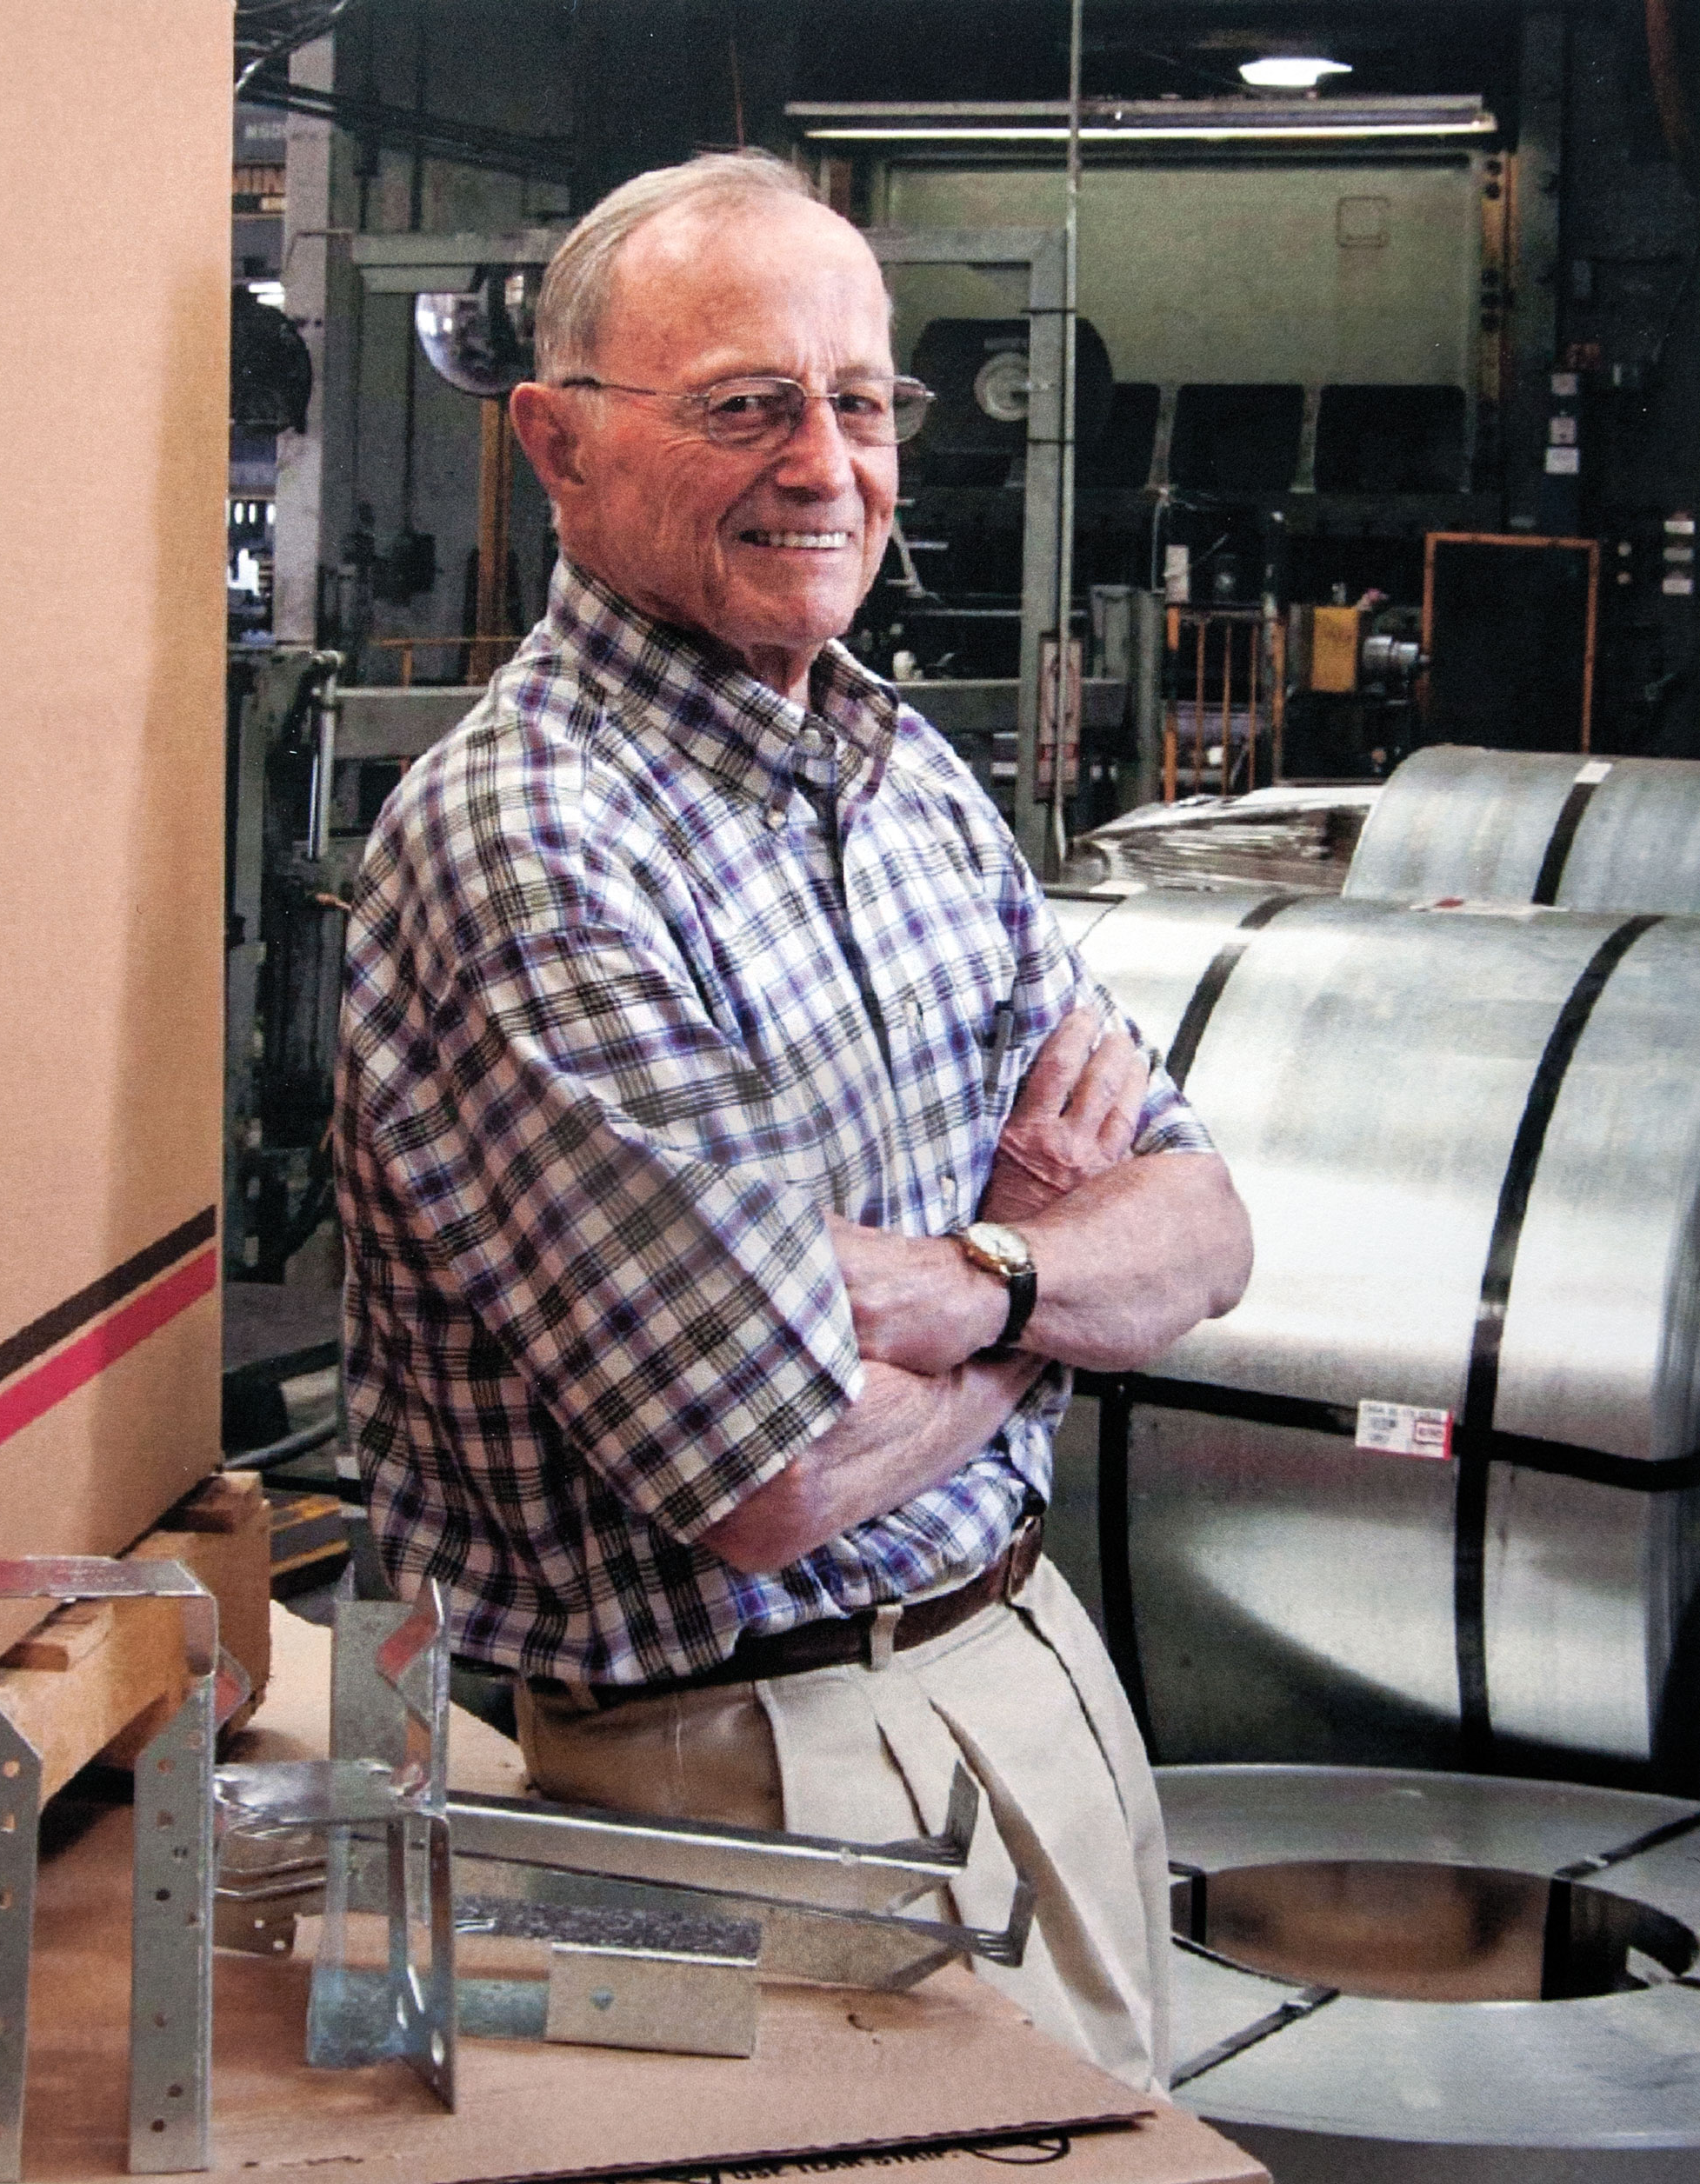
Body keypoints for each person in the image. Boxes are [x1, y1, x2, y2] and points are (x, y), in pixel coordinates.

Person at [335, 150, 1251, 2093]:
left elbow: (1208, 1225)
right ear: (556, 443)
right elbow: (764, 1475)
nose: (823, 461)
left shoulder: (905, 770)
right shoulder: (538, 846)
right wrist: (1044, 1300)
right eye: (744, 403)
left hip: (1028, 1671)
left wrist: (948, 1280)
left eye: (859, 398)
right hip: (753, 1769)